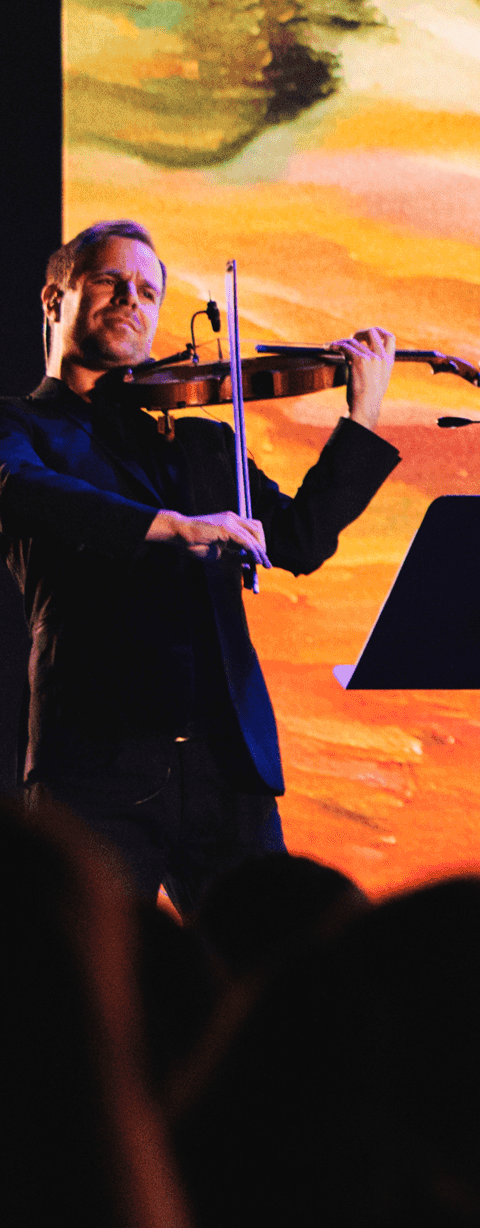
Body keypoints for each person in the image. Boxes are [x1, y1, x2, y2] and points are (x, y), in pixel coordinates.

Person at [0, 221, 398, 914]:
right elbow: (22, 487)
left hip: (226, 764)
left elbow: (300, 540)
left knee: (275, 973)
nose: (132, 300)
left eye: (149, 292)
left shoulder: (201, 442)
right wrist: (166, 528)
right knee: (93, 994)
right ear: (53, 298)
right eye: (109, 282)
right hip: (96, 765)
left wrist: (361, 417)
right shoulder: (23, 429)